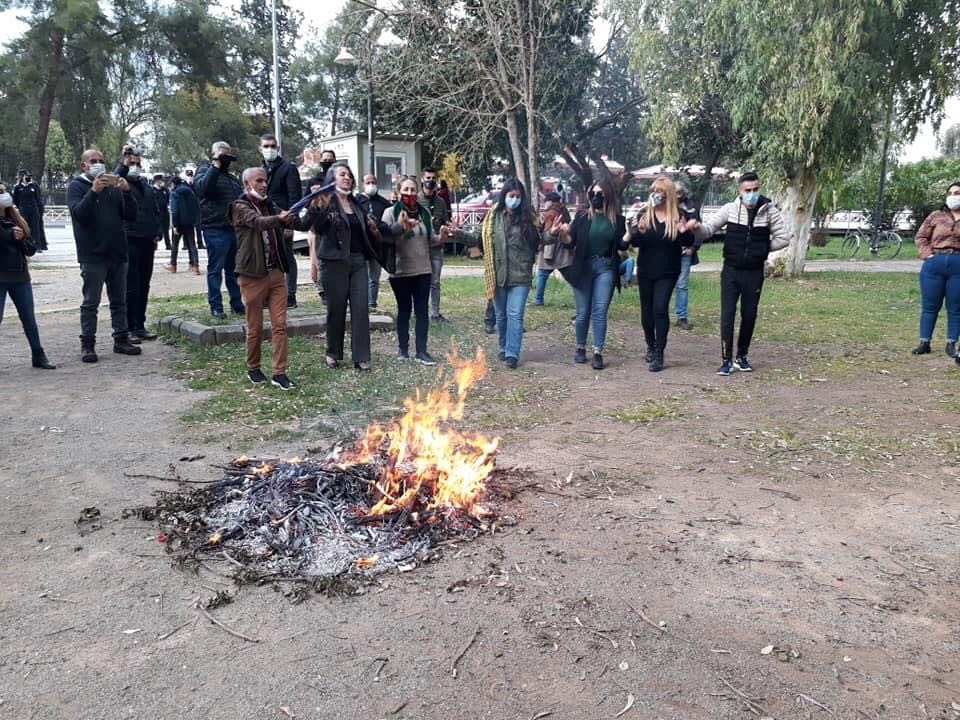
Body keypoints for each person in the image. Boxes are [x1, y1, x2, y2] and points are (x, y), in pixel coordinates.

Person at [229, 167, 320, 390]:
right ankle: (253, 367)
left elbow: (300, 224)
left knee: (280, 326)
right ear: (246, 184)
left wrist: (315, 206)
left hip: (276, 273)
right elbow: (257, 222)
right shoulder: (239, 206)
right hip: (252, 275)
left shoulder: (271, 205)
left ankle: (279, 372)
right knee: (255, 327)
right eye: (259, 180)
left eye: (266, 180)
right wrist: (279, 218)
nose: (264, 184)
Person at [697, 171, 791, 375]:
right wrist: (695, 228)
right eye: (748, 190)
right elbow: (708, 229)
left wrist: (761, 249)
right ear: (740, 191)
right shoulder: (730, 209)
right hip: (731, 271)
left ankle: (742, 356)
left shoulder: (769, 211)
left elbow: (784, 238)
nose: (752, 193)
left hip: (754, 272)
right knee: (727, 314)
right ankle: (726, 360)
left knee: (749, 314)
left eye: (755, 189)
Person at [67, 148, 142, 362]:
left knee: (119, 300)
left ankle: (121, 338)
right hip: (92, 255)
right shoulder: (76, 186)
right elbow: (79, 214)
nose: (98, 163)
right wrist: (93, 192)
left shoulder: (113, 187)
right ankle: (88, 344)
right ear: (84, 165)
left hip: (117, 252)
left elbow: (131, 215)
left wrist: (127, 192)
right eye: (93, 161)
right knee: (91, 302)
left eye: (101, 160)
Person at [310, 162, 379, 371]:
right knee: (336, 308)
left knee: (361, 309)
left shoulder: (357, 203)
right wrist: (318, 208)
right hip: (333, 262)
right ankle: (333, 352)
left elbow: (368, 226)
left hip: (357, 261)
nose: (347, 178)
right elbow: (316, 228)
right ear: (333, 179)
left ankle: (361, 357)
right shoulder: (325, 203)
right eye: (342, 174)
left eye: (349, 174)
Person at [554, 178, 627, 370]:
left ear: (608, 196)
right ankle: (580, 347)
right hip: (583, 268)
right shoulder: (582, 218)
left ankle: (597, 351)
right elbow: (571, 242)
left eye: (600, 194)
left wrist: (631, 233)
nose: (596, 198)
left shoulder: (618, 220)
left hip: (605, 267)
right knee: (582, 313)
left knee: (599, 311)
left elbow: (622, 245)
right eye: (592, 194)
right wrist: (563, 234)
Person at [625, 176, 695, 372]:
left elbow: (688, 242)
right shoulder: (644, 214)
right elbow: (635, 242)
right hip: (646, 269)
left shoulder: (678, 214)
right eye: (654, 191)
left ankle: (659, 353)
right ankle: (650, 345)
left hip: (668, 270)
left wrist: (683, 230)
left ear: (669, 194)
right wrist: (638, 230)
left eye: (661, 192)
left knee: (659, 309)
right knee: (646, 312)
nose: (657, 195)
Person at [481, 178, 539, 369]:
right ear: (504, 195)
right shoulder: (493, 216)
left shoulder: (529, 217)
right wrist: (457, 233)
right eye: (511, 196)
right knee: (501, 314)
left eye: (518, 197)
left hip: (521, 275)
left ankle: (512, 353)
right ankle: (504, 347)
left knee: (515, 314)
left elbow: (540, 240)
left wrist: (554, 233)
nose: (514, 200)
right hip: (498, 274)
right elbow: (479, 239)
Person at [381, 176, 437, 364]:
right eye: (405, 190)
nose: (410, 193)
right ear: (398, 192)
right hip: (400, 271)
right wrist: (400, 226)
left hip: (423, 270)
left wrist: (443, 236)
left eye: (413, 190)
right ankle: (403, 350)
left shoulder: (425, 214)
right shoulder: (390, 213)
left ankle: (422, 351)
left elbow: (431, 240)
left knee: (422, 311)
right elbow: (385, 238)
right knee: (404, 310)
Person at [0, 184, 55, 369]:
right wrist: (9, 235)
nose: (4, 195)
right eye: (0, 193)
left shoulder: (16, 219)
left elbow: (31, 249)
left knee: (29, 319)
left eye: (4, 191)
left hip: (20, 278)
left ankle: (38, 355)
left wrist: (22, 237)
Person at [911, 180, 960, 364]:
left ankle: (951, 343)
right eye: (952, 193)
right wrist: (928, 255)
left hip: (958, 264)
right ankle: (925, 342)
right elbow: (921, 236)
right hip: (935, 263)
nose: (954, 197)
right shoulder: (936, 216)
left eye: (958, 193)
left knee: (956, 307)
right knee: (930, 305)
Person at [194, 141, 244, 319]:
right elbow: (203, 189)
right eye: (222, 155)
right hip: (215, 228)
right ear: (213, 154)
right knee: (216, 269)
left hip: (233, 229)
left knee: (233, 269)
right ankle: (216, 306)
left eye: (227, 155)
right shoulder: (205, 171)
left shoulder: (231, 178)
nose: (225, 159)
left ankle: (237, 303)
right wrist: (215, 165)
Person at [117, 147, 162, 343]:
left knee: (144, 285)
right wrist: (123, 164)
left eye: (137, 164)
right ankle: (128, 327)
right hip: (129, 240)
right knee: (131, 286)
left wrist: (158, 231)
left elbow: (155, 210)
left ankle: (140, 325)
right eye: (131, 163)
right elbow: (114, 177)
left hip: (147, 240)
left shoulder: (145, 185)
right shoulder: (120, 182)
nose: (135, 167)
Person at [259, 133, 303, 309]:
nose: (269, 149)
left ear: (277, 147)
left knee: (287, 258)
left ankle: (290, 295)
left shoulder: (288, 168)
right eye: (266, 146)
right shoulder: (260, 170)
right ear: (260, 148)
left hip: (284, 220)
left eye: (273, 146)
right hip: (265, 220)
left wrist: (290, 224)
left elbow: (295, 197)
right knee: (266, 258)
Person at [419, 166, 454, 321]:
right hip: (420, 247)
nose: (431, 181)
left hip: (437, 247)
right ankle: (420, 312)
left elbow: (446, 220)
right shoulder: (417, 199)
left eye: (433, 178)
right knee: (420, 281)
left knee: (435, 281)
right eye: (428, 178)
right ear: (422, 179)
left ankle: (435, 313)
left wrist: (448, 227)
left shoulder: (440, 202)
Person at [307, 149, 337, 302]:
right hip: (318, 225)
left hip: (336, 224)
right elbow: (306, 202)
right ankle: (322, 290)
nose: (327, 161)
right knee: (318, 258)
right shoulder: (314, 181)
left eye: (330, 159)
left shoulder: (339, 179)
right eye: (324, 159)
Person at [532, 191, 573, 306]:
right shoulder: (564, 210)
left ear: (550, 201)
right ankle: (578, 298)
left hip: (550, 245)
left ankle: (538, 299)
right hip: (563, 245)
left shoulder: (549, 213)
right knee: (569, 275)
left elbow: (545, 230)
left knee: (542, 274)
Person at [672, 180, 703, 331]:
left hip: (685, 251)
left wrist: (694, 247)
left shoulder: (691, 207)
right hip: (668, 251)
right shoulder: (665, 205)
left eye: (680, 193)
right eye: (675, 193)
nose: (677, 196)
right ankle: (659, 314)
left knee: (682, 285)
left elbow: (699, 229)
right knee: (665, 283)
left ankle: (681, 317)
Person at [359, 173, 391, 310]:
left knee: (374, 276)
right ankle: (360, 303)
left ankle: (372, 303)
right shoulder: (356, 201)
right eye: (368, 182)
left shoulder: (383, 203)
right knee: (361, 277)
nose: (371, 185)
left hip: (377, 245)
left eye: (373, 182)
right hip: (361, 244)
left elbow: (388, 222)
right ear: (362, 184)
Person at [167, 176, 201, 274]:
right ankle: (195, 266)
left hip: (179, 223)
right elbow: (196, 207)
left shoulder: (174, 194)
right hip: (190, 222)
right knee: (192, 244)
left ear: (173, 184)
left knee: (175, 245)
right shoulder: (190, 192)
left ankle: (173, 265)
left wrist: (174, 225)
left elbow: (174, 211)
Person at [13, 169, 46, 252]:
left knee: (36, 228)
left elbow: (38, 197)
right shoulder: (18, 187)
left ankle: (38, 246)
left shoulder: (33, 186)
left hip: (34, 210)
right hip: (23, 209)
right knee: (24, 228)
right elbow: (15, 199)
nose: (28, 178)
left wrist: (40, 208)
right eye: (26, 176)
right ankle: (25, 245)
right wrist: (21, 207)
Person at [152, 174, 172, 251]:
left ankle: (168, 245)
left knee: (166, 229)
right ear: (156, 181)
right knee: (157, 230)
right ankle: (155, 245)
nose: (161, 182)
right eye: (159, 180)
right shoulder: (152, 190)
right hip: (157, 212)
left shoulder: (164, 190)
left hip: (165, 212)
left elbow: (167, 199)